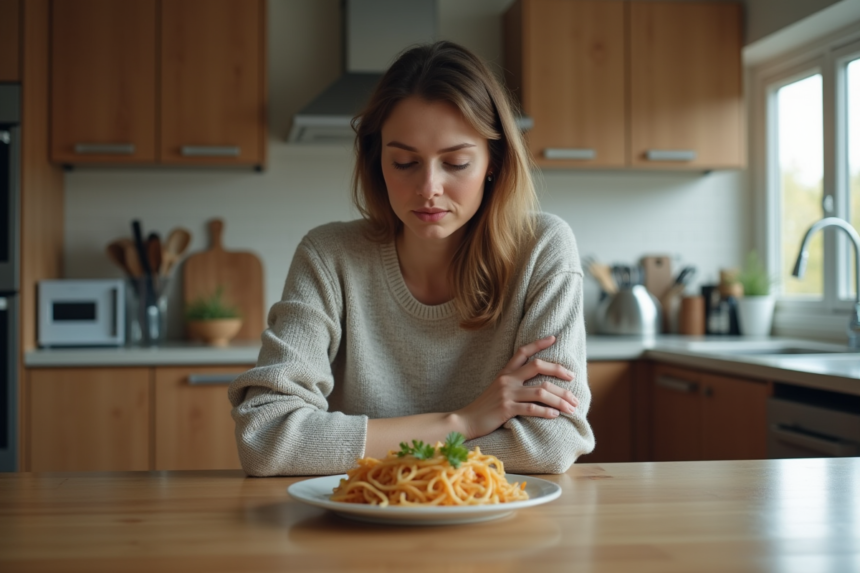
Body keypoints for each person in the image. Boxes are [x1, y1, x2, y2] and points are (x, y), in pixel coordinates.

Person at [228, 41, 594, 476]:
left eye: (456, 163)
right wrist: (460, 422)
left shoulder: (542, 247)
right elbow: (266, 437)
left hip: (499, 528)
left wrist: (357, 447)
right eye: (404, 162)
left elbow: (549, 443)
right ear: (377, 159)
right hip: (358, 522)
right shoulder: (329, 255)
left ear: (493, 161)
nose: (429, 188)